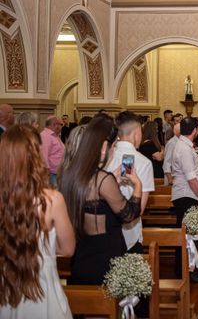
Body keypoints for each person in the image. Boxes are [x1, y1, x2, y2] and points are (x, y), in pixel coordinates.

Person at [0, 125, 75, 318]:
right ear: (35, 156)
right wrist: (44, 248)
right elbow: (68, 249)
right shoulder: (52, 199)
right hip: (41, 288)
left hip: (5, 286)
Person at [58, 115, 142, 285]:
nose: (113, 151)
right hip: (106, 259)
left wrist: (113, 184)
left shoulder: (70, 175)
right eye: (114, 147)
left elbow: (91, 203)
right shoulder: (103, 179)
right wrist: (137, 186)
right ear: (104, 147)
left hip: (82, 256)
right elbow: (128, 215)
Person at [106, 111, 155, 254]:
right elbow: (140, 208)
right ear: (136, 132)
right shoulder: (143, 162)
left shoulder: (104, 157)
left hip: (106, 232)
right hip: (131, 234)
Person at [171, 116, 198, 281]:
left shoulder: (183, 145)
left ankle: (188, 268)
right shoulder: (184, 149)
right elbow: (191, 178)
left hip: (185, 193)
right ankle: (186, 270)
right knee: (186, 235)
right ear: (195, 131)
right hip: (186, 194)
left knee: (187, 233)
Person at [40, 116, 65, 186]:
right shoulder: (45, 136)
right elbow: (43, 155)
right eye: (61, 124)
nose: (62, 127)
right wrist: (47, 173)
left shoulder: (54, 136)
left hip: (57, 174)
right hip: (51, 175)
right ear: (55, 124)